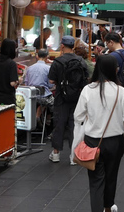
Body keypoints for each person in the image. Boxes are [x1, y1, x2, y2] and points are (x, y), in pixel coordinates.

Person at [74, 54, 124, 212]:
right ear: (114, 70)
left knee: (96, 181)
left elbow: (77, 116)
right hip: (115, 142)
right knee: (111, 177)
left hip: (93, 141)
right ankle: (108, 207)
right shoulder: (120, 91)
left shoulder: (88, 89)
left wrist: (92, 119)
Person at [48, 35, 88, 163]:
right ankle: (73, 155)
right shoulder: (81, 61)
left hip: (61, 97)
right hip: (77, 97)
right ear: (74, 46)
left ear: (62, 46)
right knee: (74, 125)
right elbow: (85, 79)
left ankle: (56, 154)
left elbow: (51, 80)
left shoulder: (57, 61)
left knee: (59, 124)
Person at [24, 48, 55, 126]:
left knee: (41, 100)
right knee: (51, 101)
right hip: (43, 98)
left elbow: (26, 84)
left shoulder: (29, 68)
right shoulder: (48, 68)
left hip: (30, 97)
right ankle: (46, 121)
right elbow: (50, 85)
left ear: (37, 56)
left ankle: (36, 116)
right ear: (47, 57)